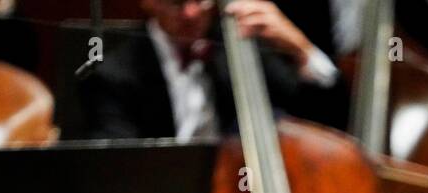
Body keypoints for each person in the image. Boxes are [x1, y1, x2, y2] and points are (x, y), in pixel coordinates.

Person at [77, 0, 341, 140]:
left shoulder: (239, 48)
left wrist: (302, 50)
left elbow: (321, 117)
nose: (191, 13)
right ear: (149, 2)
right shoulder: (113, 75)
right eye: (177, 1)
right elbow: (122, 172)